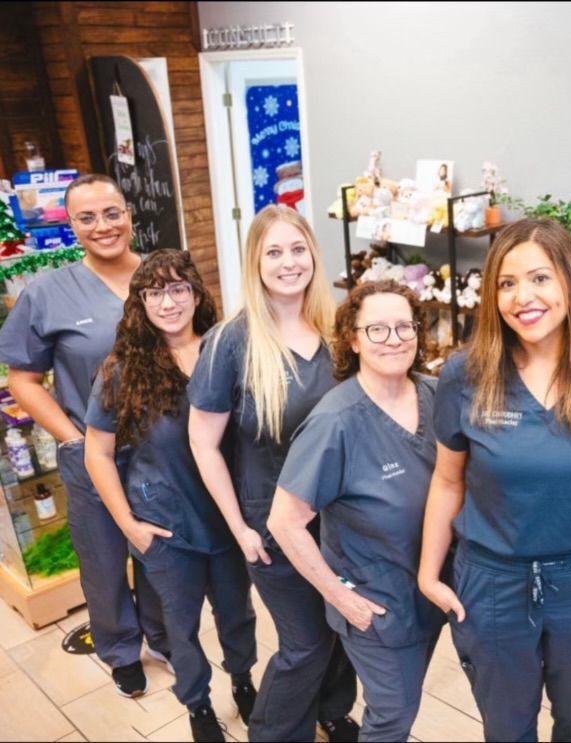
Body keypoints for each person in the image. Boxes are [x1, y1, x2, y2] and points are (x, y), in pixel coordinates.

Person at [418, 218, 571, 742]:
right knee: (506, 729)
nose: (522, 297)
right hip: (492, 584)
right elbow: (447, 481)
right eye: (506, 283)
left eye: (539, 278)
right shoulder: (465, 375)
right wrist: (428, 575)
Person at [187, 205, 359, 742]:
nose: (289, 263)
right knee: (305, 641)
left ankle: (333, 711)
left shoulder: (338, 331)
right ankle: (275, 732)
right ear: (255, 263)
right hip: (271, 525)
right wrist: (238, 526)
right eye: (275, 252)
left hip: (342, 520)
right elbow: (203, 441)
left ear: (314, 253)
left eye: (298, 249)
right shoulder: (229, 343)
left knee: (342, 627)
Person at [0, 174, 169, 697]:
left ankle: (167, 637)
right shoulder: (48, 293)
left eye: (112, 212)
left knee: (164, 551)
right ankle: (120, 648)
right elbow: (22, 380)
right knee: (101, 557)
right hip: (89, 449)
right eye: (87, 217)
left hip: (164, 450)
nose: (103, 226)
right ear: (70, 225)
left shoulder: (164, 277)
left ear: (129, 214)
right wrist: (73, 438)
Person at [84, 250, 257, 742]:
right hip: (164, 526)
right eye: (154, 291)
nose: (168, 301)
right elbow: (98, 454)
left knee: (237, 615)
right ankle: (198, 706)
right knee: (180, 628)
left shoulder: (225, 351)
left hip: (228, 520)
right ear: (140, 302)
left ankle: (244, 682)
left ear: (197, 293)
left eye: (179, 288)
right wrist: (130, 526)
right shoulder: (122, 370)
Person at [268, 281, 445, 742]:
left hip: (430, 592)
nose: (395, 339)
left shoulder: (436, 395)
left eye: (404, 326)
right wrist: (340, 597)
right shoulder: (336, 421)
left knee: (406, 702)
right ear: (353, 338)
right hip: (376, 603)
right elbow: (284, 521)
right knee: (393, 718)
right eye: (378, 329)